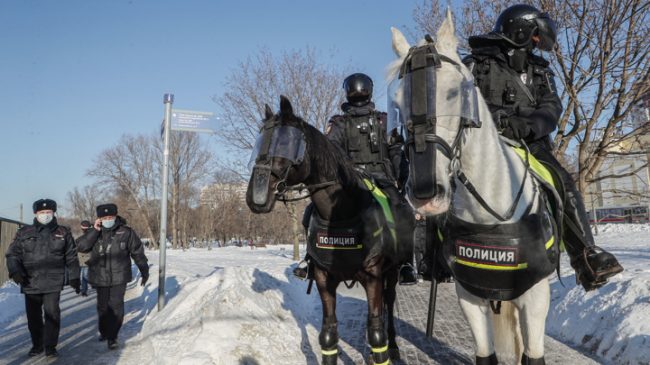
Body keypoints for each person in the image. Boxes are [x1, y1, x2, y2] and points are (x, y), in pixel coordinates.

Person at [463, 4, 623, 291]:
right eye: (536, 37)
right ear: (522, 32)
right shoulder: (476, 64)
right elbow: (461, 101)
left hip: (532, 145)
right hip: (485, 144)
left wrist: (531, 125)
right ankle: (430, 257)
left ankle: (586, 257)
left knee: (563, 182)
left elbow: (552, 106)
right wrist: (497, 117)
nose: (539, 43)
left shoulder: (541, 70)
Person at [295, 73, 418, 285]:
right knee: (312, 210)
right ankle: (311, 259)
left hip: (381, 180)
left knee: (403, 211)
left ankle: (405, 263)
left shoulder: (384, 121)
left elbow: (396, 152)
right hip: (351, 180)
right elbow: (329, 153)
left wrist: (404, 180)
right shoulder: (340, 123)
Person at [5, 199, 81, 358]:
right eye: (42, 213)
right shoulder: (24, 233)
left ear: (53, 213)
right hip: (30, 281)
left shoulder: (63, 232)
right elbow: (13, 254)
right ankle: (37, 344)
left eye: (48, 212)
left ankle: (50, 347)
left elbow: (72, 257)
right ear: (35, 214)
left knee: (52, 314)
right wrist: (15, 271)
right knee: (33, 317)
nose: (45, 215)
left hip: (54, 281)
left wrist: (74, 277)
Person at [76, 203, 149, 350]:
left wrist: (144, 269)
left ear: (116, 216)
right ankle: (104, 331)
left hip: (119, 275)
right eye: (104, 217)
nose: (108, 219)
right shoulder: (93, 232)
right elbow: (81, 246)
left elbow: (137, 252)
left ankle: (113, 336)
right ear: (99, 219)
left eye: (110, 217)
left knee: (116, 306)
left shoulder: (126, 232)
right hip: (99, 275)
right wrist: (94, 231)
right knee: (103, 307)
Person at [78, 220, 93, 296]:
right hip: (81, 258)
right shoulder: (81, 235)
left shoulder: (91, 234)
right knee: (83, 275)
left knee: (85, 275)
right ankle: (84, 290)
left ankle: (94, 284)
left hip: (88, 257)